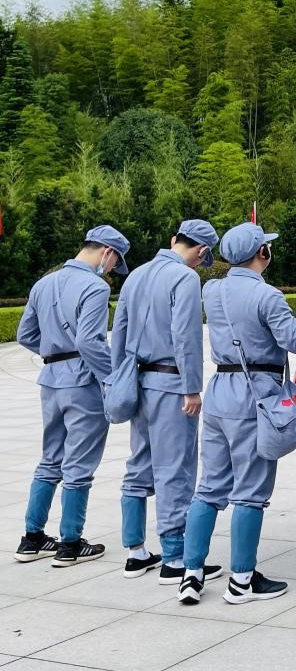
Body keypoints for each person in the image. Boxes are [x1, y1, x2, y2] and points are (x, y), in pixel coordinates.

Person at [178, 223, 296, 605]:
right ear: (262, 254)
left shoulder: (212, 289)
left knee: (209, 487)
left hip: (220, 389)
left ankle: (191, 573)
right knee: (251, 492)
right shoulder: (268, 295)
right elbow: (295, 341)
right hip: (254, 394)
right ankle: (241, 580)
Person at [15, 225, 131, 567]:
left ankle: (32, 538)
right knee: (79, 465)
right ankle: (69, 543)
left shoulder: (44, 283)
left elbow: (25, 334)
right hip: (82, 382)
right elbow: (90, 342)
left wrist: (54, 353)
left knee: (50, 460)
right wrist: (112, 378)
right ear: (107, 253)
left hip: (50, 381)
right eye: (114, 264)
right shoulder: (94, 287)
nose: (110, 271)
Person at [114, 219, 220, 583]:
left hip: (136, 379)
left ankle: (134, 550)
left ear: (174, 238)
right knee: (175, 467)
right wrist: (192, 388)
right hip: (170, 381)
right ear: (202, 251)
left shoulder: (137, 274)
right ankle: (174, 558)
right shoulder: (186, 278)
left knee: (139, 461)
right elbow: (186, 337)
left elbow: (120, 332)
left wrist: (120, 380)